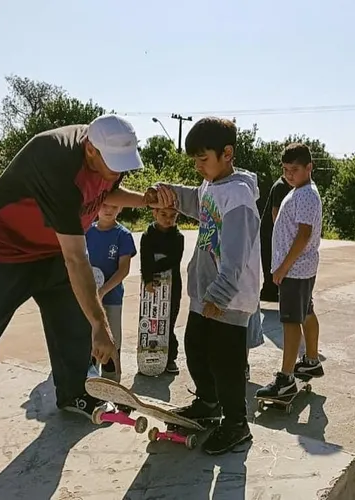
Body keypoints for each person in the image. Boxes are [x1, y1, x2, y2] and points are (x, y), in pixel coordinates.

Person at [0, 114, 167, 462]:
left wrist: (147, 200)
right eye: (113, 166)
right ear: (90, 150)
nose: (117, 172)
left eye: (123, 166)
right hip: (2, 250)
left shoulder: (108, 156)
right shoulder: (56, 160)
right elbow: (77, 259)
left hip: (50, 249)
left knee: (73, 322)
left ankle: (75, 393)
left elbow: (107, 191)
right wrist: (101, 324)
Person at [155, 117, 262, 455]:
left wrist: (218, 295)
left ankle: (236, 423)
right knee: (196, 348)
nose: (199, 167)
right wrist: (165, 192)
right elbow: (193, 201)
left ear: (227, 153)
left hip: (229, 297)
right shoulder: (211, 186)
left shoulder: (239, 195)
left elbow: (236, 254)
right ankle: (208, 402)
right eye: (195, 161)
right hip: (206, 293)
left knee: (226, 362)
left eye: (204, 159)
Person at [256, 143, 324, 400]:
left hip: (295, 270)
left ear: (309, 167)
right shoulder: (302, 190)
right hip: (301, 268)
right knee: (306, 312)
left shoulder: (305, 194)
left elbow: (304, 234)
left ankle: (285, 379)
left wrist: (283, 267)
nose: (288, 175)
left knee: (290, 321)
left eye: (294, 169)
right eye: (285, 170)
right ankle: (312, 360)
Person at [86, 202, 137, 382]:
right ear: (96, 206)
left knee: (111, 339)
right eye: (104, 205)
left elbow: (123, 270)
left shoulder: (123, 236)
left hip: (112, 299)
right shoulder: (86, 232)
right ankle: (90, 383)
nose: (108, 210)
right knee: (90, 340)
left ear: (121, 208)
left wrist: (103, 291)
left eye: (114, 206)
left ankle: (111, 382)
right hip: (88, 299)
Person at [139, 206, 184, 374]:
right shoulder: (147, 236)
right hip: (150, 286)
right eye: (163, 214)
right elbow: (145, 259)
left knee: (168, 321)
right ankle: (148, 355)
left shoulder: (178, 237)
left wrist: (154, 267)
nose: (168, 219)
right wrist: (148, 278)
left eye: (173, 215)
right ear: (154, 213)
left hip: (172, 286)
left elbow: (173, 260)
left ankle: (170, 357)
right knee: (151, 321)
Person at [260, 174, 291, 302]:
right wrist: (281, 236)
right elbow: (275, 213)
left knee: (271, 261)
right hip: (269, 232)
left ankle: (271, 291)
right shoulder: (281, 187)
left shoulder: (285, 186)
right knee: (270, 262)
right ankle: (269, 291)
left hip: (271, 232)